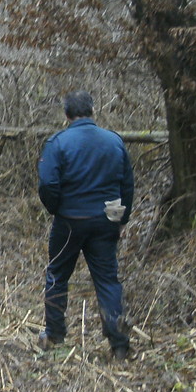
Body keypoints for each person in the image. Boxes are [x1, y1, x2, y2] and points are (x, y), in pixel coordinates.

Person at [36, 90, 134, 360]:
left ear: (67, 115)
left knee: (57, 274)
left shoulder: (58, 143)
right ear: (93, 111)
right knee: (107, 281)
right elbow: (127, 184)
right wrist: (121, 218)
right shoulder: (114, 141)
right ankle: (119, 345)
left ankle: (54, 335)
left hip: (69, 221)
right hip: (106, 221)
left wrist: (57, 209)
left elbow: (47, 183)